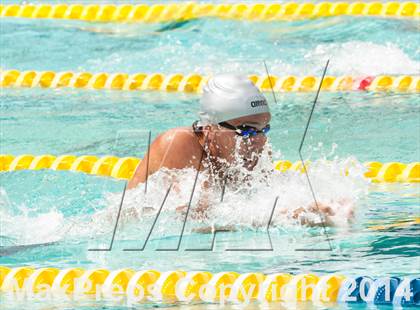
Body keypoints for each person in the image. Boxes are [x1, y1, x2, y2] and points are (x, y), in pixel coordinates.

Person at [128, 73, 338, 225]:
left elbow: (263, 197)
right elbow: (188, 219)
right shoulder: (178, 144)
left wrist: (319, 207)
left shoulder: (255, 149)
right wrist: (283, 215)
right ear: (210, 129)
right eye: (245, 130)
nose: (258, 141)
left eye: (263, 129)